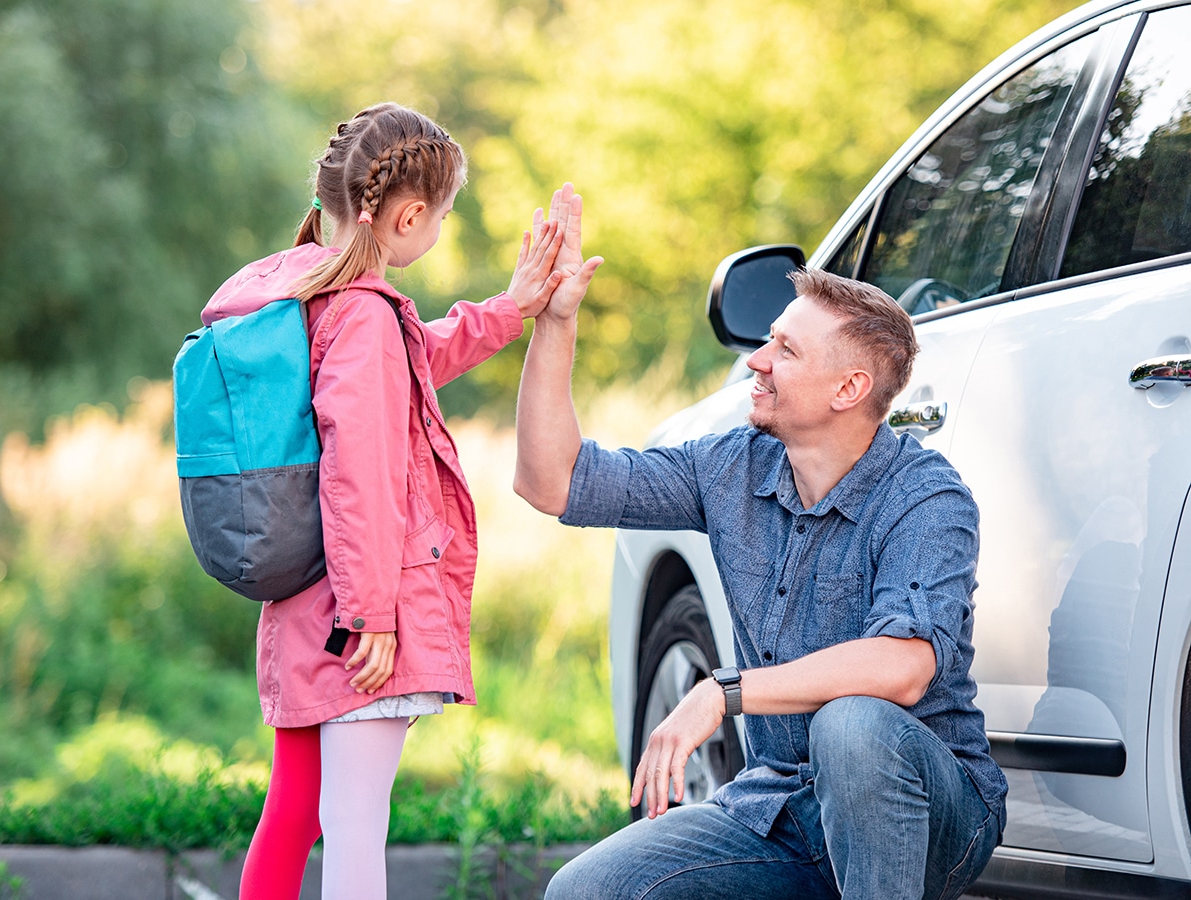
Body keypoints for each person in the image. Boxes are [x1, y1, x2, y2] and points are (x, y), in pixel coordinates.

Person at [514, 251, 1008, 898]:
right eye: (769, 340)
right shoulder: (732, 467)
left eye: (786, 350)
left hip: (927, 814)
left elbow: (904, 666)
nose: (757, 360)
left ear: (848, 389)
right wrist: (555, 324)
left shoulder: (925, 499)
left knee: (849, 726)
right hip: (776, 810)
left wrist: (725, 692)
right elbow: (551, 482)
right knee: (585, 891)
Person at [208, 101, 582, 900]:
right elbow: (361, 474)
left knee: (294, 815)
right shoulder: (364, 316)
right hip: (359, 621)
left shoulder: (301, 296)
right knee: (355, 831)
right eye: (441, 217)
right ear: (408, 215)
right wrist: (372, 613)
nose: (440, 229)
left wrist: (508, 309)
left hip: (302, 602)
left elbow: (405, 372)